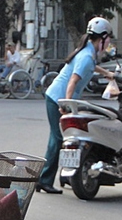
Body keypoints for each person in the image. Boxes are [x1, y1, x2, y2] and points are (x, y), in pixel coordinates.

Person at [36, 17, 113, 194]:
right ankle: (46, 180)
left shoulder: (88, 52)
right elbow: (73, 81)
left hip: (56, 97)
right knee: (59, 139)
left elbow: (92, 67)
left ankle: (46, 179)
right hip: (58, 98)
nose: (109, 42)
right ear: (101, 38)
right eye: (108, 38)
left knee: (56, 140)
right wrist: (66, 104)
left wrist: (107, 73)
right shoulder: (86, 56)